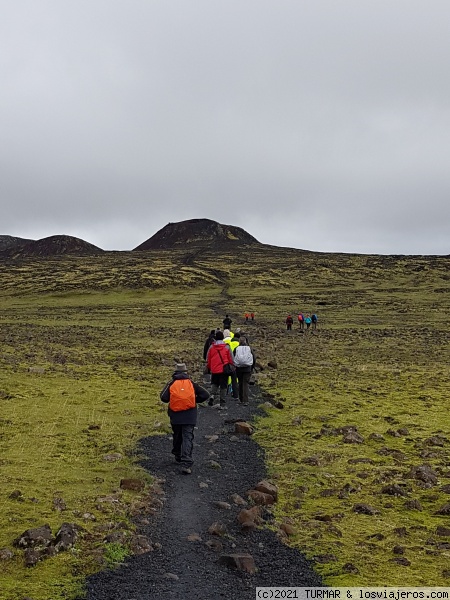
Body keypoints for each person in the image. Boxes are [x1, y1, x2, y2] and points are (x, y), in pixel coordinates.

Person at [160, 363, 210, 474]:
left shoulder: (172, 383)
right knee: (188, 436)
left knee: (177, 435)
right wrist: (194, 401)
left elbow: (163, 398)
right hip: (190, 415)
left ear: (175, 372)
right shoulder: (191, 383)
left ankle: (177, 454)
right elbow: (206, 394)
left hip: (176, 415)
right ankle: (186, 461)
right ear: (186, 372)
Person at [206, 331, 235, 409]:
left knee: (214, 383)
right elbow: (231, 358)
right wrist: (233, 366)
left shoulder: (211, 347)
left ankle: (212, 396)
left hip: (214, 369)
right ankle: (222, 403)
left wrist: (209, 367)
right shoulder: (226, 347)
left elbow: (208, 358)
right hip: (224, 369)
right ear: (223, 337)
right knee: (223, 386)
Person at [233, 337, 255, 405]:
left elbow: (233, 357)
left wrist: (235, 366)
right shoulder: (249, 348)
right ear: (245, 341)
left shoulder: (236, 349)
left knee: (240, 382)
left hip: (239, 368)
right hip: (247, 368)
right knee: (245, 384)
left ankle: (241, 399)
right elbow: (254, 358)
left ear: (239, 341)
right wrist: (252, 367)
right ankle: (246, 400)